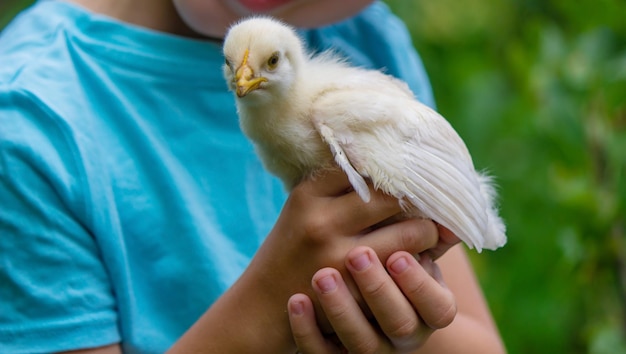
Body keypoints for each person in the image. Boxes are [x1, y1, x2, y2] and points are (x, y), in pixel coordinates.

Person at [0, 0, 506, 353]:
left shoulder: (366, 42)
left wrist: (391, 321)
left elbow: (474, 334)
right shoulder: (28, 128)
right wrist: (271, 305)